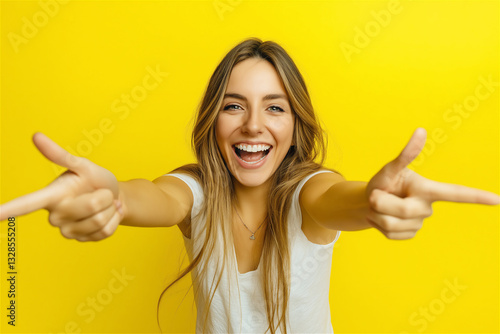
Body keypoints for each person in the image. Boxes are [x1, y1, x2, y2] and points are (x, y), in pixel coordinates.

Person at [0, 37, 498, 334]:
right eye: (234, 105)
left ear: (295, 125)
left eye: (275, 107)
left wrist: (374, 202)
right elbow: (151, 197)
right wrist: (110, 196)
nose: (254, 125)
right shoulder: (195, 192)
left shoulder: (311, 191)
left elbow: (339, 199)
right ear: (213, 119)